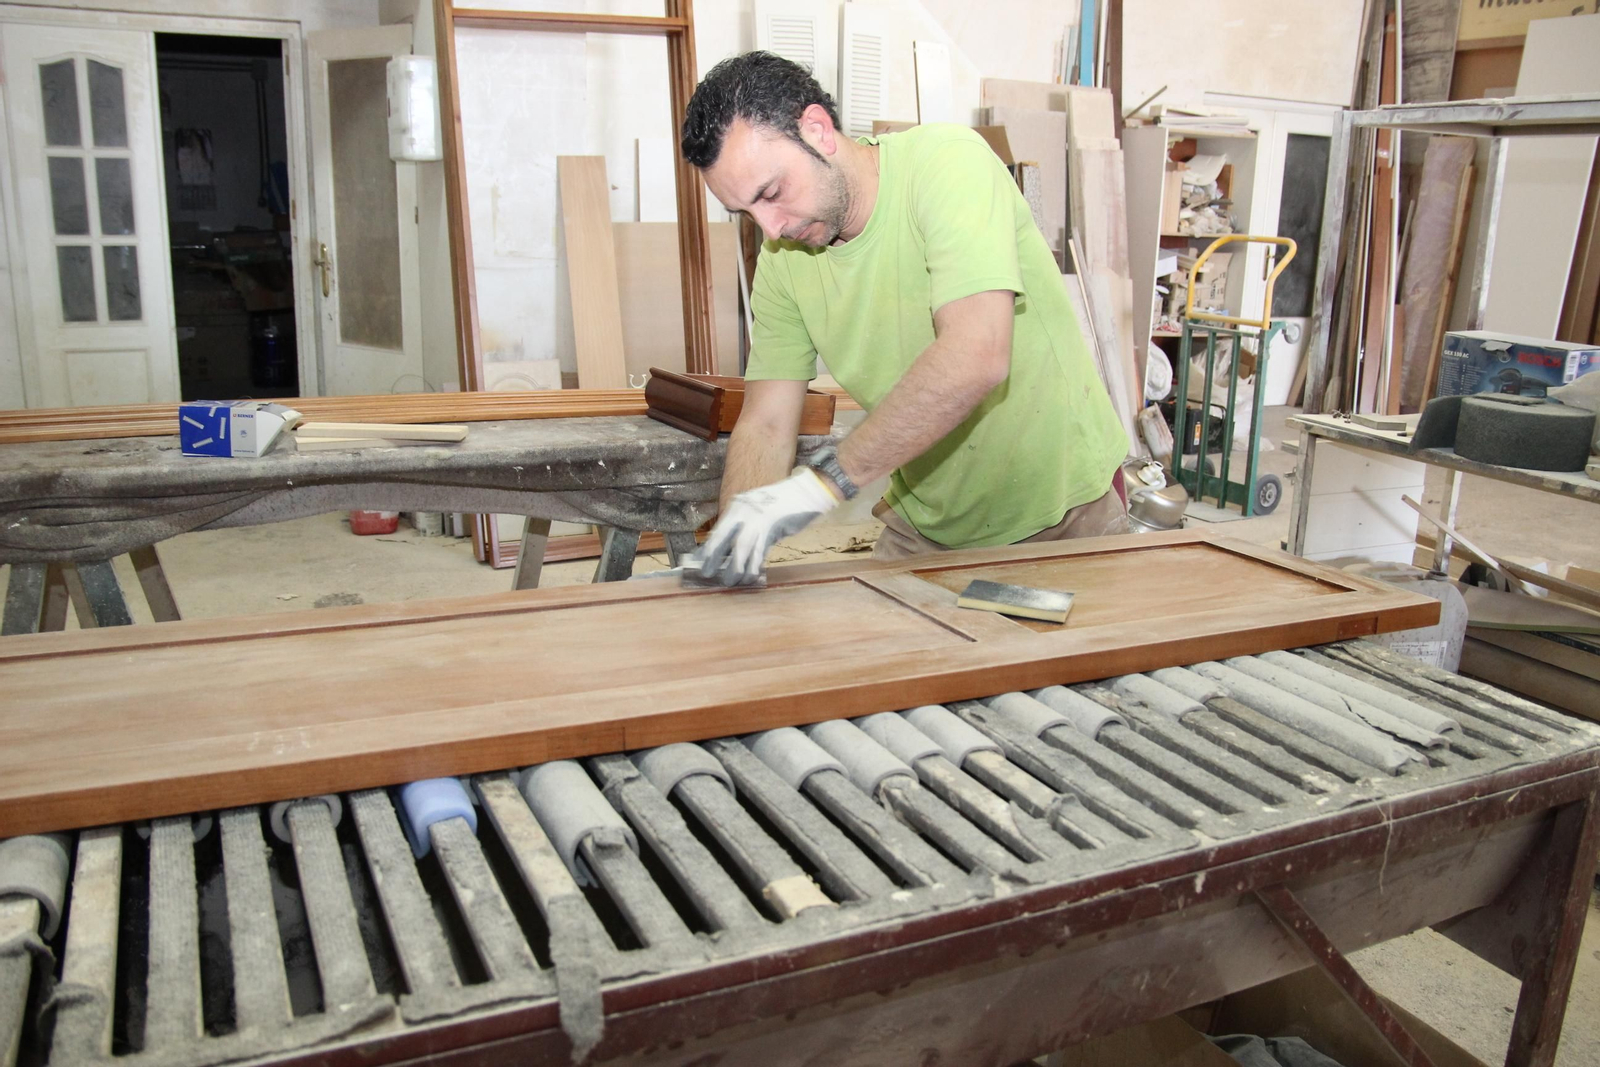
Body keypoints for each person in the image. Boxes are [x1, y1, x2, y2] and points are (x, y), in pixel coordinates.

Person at [681, 51, 1129, 586]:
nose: (770, 229)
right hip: (926, 525)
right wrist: (739, 528)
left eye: (772, 193)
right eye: (746, 213)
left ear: (818, 130)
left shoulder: (946, 165)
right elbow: (767, 421)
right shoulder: (783, 263)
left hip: (1065, 516)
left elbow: (977, 354)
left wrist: (819, 485)